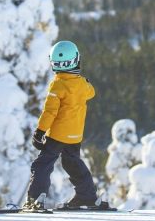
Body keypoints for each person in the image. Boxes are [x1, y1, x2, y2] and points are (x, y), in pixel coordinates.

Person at [23, 41, 109, 212]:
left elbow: (50, 112)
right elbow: (91, 92)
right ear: (76, 60)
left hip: (58, 135)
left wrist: (40, 132)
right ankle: (88, 196)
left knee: (42, 164)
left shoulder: (58, 85)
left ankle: (36, 199)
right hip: (75, 135)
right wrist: (85, 81)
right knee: (72, 163)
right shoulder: (82, 84)